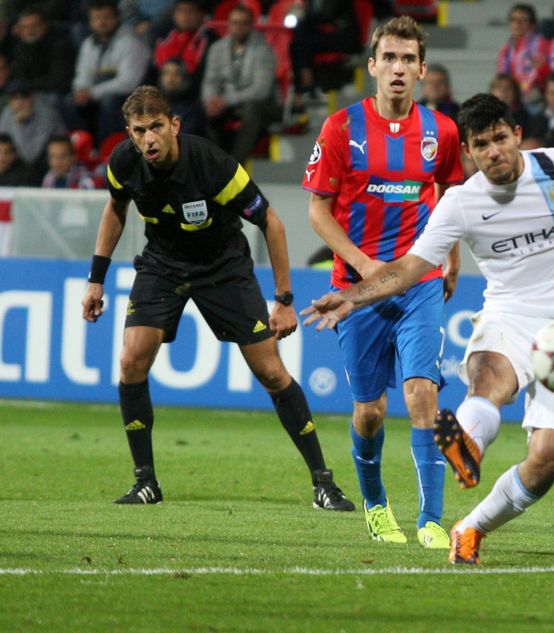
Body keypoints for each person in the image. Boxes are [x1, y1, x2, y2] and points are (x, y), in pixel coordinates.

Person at [302, 93, 554, 565]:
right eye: (481, 144)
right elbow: (411, 268)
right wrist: (352, 296)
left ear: (517, 135)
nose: (494, 151)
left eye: (500, 138)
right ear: (470, 153)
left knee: (549, 456)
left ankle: (470, 526)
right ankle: (467, 440)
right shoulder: (460, 202)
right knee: (490, 378)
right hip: (508, 314)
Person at [81, 85, 354, 511]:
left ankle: (323, 482)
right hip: (162, 265)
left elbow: (272, 222)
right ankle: (145, 482)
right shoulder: (123, 163)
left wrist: (283, 298)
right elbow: (115, 209)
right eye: (139, 130)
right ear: (129, 133)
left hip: (223, 268)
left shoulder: (212, 165)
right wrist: (96, 278)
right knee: (132, 359)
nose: (148, 138)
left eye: (156, 127)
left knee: (271, 373)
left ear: (174, 125)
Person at [302, 16, 463, 548]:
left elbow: (451, 197)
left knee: (423, 394)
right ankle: (375, 505)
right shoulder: (342, 127)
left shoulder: (441, 130)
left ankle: (433, 520)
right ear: (372, 66)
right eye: (388, 58)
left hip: (418, 282)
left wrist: (452, 257)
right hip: (358, 288)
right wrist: (364, 267)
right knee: (370, 412)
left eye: (407, 59)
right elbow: (318, 212)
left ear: (421, 68)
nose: (397, 68)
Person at [201, 5, 281, 166]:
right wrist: (211, 100)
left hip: (264, 105)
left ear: (251, 25)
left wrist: (226, 101)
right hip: (227, 102)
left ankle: (236, 165)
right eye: (235, 22)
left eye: (243, 23)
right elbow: (210, 80)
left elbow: (261, 90)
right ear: (228, 24)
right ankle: (214, 164)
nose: (238, 27)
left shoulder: (263, 50)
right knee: (201, 111)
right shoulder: (218, 48)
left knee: (252, 109)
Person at [64, 0, 151, 143]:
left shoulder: (130, 42)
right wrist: (81, 91)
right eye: (96, 18)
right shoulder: (88, 44)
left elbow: (129, 82)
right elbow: (82, 75)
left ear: (117, 18)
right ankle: (82, 147)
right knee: (70, 101)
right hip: (96, 94)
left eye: (106, 17)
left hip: (130, 96)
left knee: (109, 101)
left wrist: (92, 93)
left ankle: (110, 147)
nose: (101, 22)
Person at [9, 5, 75, 104]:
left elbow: (58, 81)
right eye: (25, 27)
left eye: (33, 26)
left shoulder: (59, 44)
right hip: (30, 93)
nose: (29, 31)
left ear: (44, 26)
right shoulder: (20, 48)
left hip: (55, 94)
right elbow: (20, 77)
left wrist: (31, 84)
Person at [153, 0, 217, 92]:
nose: (185, 15)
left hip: (194, 96)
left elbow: (204, 76)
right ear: (174, 15)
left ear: (201, 15)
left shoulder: (210, 39)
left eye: (190, 11)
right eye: (180, 10)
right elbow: (154, 70)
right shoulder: (165, 37)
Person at [0, 79, 66, 169]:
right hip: (17, 161)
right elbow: (2, 142)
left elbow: (30, 157)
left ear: (32, 98)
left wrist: (18, 125)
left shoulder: (46, 115)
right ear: (10, 101)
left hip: (47, 164)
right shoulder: (7, 112)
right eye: (15, 98)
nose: (20, 102)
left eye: (24, 97)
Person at [496, 3, 549, 113]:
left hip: (534, 99)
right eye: (514, 20)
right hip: (513, 98)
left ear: (532, 24)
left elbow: (539, 75)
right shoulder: (506, 48)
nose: (517, 24)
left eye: (523, 20)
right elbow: (502, 76)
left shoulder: (540, 44)